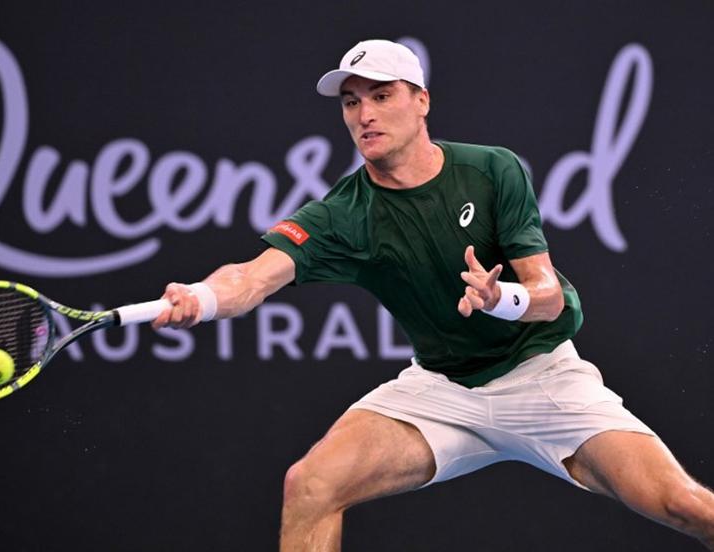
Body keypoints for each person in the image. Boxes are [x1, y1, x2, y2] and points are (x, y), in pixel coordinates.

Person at [152, 39, 714, 551]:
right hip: (440, 391)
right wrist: (201, 297)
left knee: (680, 504)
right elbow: (252, 277)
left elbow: (549, 297)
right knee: (311, 484)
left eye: (381, 95)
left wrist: (501, 300)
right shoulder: (341, 214)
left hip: (543, 377)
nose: (364, 114)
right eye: (350, 102)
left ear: (421, 100)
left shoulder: (492, 170)